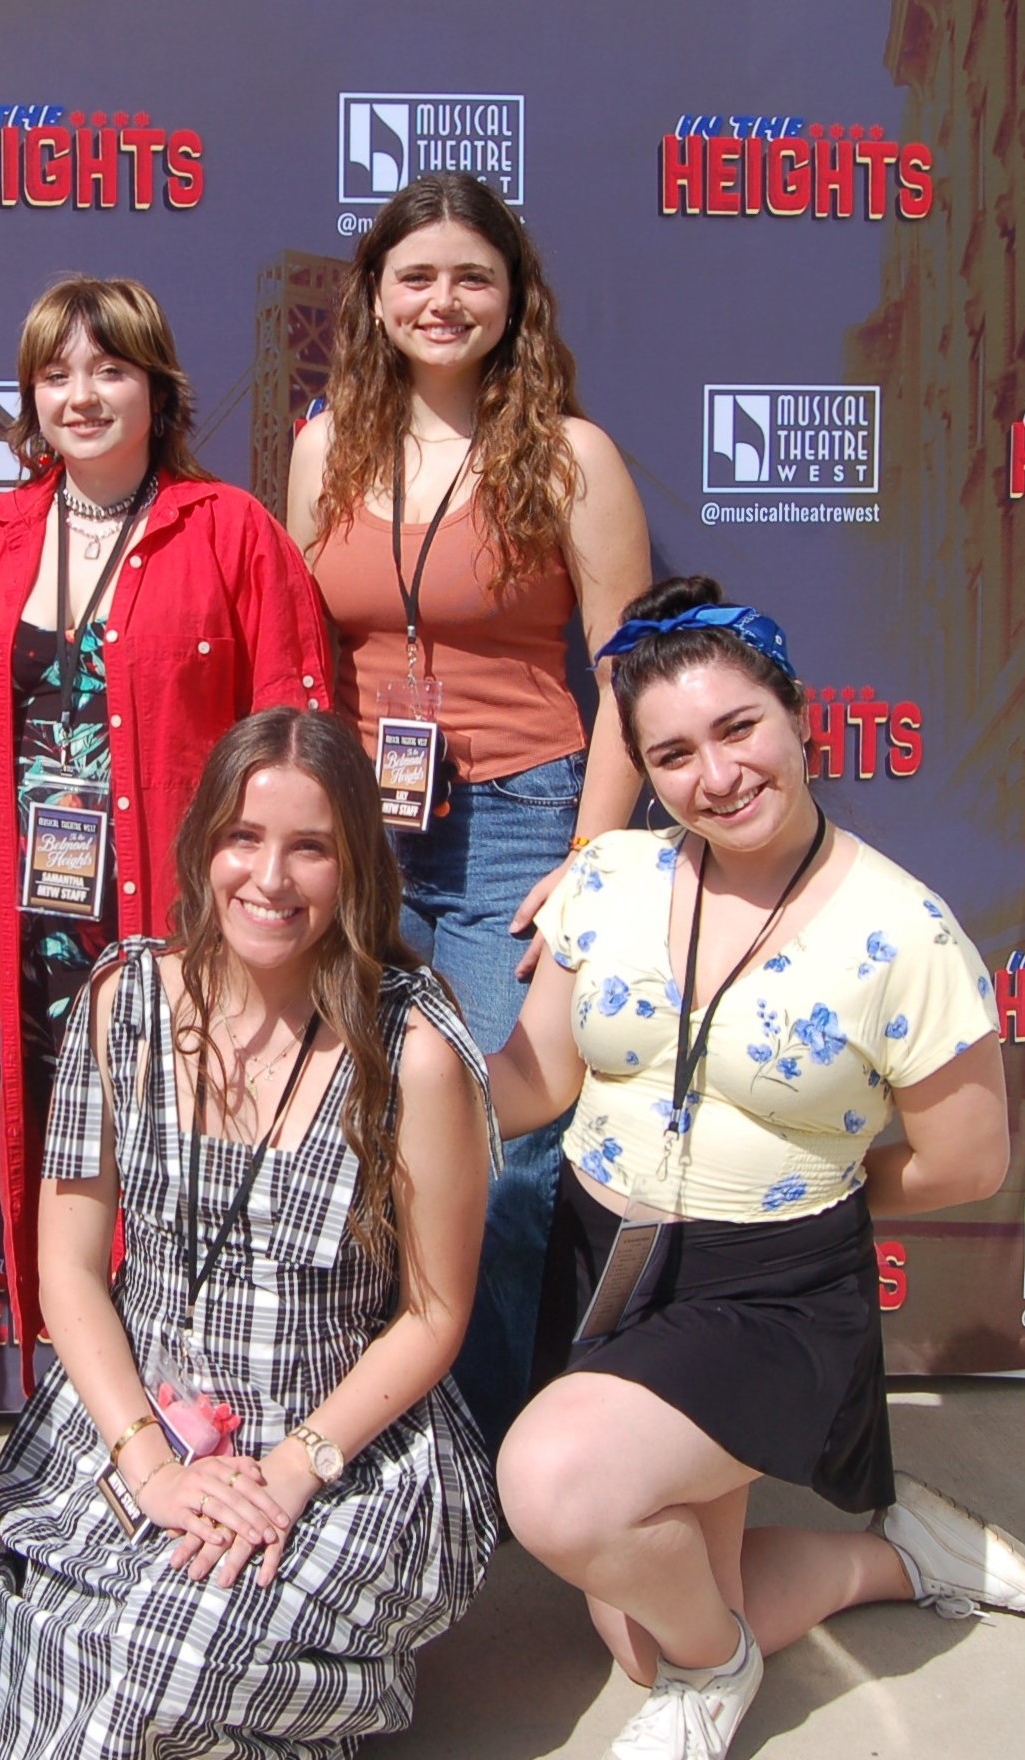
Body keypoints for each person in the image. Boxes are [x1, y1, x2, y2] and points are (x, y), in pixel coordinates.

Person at [492, 578, 1024, 1760]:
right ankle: (895, 1553)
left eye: (739, 728)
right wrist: (396, 1104)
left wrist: (808, 1192)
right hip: (604, 1262)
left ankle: (717, 1669)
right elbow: (536, 1078)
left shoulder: (903, 928)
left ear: (796, 716)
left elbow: (968, 1159)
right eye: (670, 751)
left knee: (555, 1486)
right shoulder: (613, 877)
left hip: (770, 1285)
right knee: (634, 1629)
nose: (715, 774)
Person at [0, 708, 498, 1759]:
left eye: (309, 845)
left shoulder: (411, 1051)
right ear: (201, 848)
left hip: (342, 1443)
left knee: (160, 1653)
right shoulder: (121, 1000)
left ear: (354, 861)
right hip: (143, 1424)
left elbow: (436, 1311)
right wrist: (148, 1465)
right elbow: (70, 1268)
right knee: (81, 1634)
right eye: (243, 838)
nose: (270, 877)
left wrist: (290, 1469)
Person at [285, 170, 654, 1450]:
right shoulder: (324, 445)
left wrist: (591, 864)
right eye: (416, 276)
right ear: (377, 298)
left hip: (520, 823)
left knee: (504, 1139)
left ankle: (480, 1439)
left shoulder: (569, 456)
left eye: (472, 276)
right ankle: (362, 1410)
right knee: (343, 1124)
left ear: (514, 297)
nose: (443, 301)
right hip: (359, 834)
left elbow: (630, 676)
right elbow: (304, 654)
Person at [0, 276, 332, 1386]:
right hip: (40, 923)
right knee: (58, 1164)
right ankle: (76, 1414)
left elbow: (297, 733)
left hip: (184, 916)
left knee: (185, 1154)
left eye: (109, 369)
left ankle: (195, 1407)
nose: (82, 394)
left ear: (158, 387)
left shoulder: (230, 530)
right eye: (55, 374)